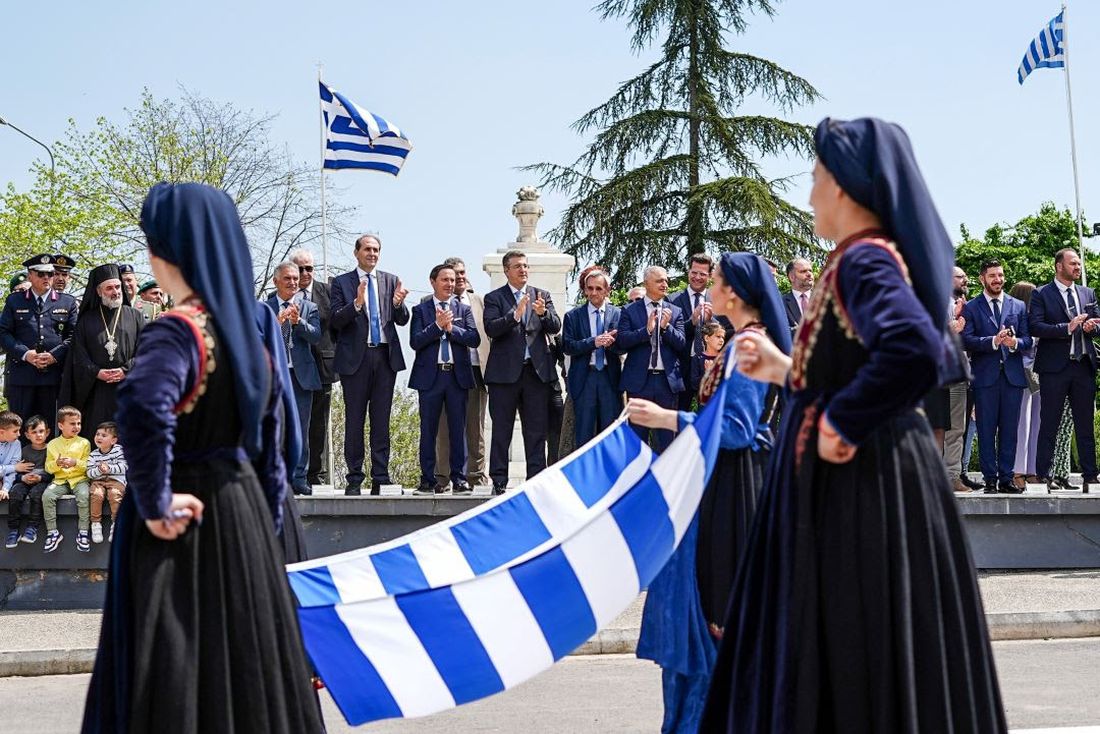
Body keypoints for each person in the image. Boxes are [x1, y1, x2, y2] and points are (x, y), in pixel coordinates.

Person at [701, 118, 1006, 732]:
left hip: (867, 492)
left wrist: (844, 420)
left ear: (844, 188)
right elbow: (852, 366)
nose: (811, 194)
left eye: (816, 179)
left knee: (855, 641)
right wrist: (789, 370)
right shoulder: (851, 262)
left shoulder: (864, 261)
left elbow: (917, 351)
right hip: (854, 488)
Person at [81, 182, 324, 733]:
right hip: (244, 523)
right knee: (249, 674)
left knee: (177, 676)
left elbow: (143, 408)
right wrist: (265, 520)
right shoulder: (249, 341)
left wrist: (155, 499)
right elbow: (273, 441)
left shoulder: (180, 330)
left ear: (168, 251)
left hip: (181, 532)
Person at [628, 252, 790, 734]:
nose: (708, 286)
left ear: (734, 294)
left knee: (713, 615)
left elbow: (737, 429)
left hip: (732, 491)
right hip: (725, 482)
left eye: (715, 280)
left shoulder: (747, 346)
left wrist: (666, 419)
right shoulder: (745, 342)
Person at [330, 234, 410, 496]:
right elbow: (335, 321)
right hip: (356, 359)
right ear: (356, 253)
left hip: (384, 357)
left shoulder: (389, 280)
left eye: (376, 250)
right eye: (367, 249)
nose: (372, 254)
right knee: (354, 420)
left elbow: (402, 319)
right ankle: (354, 478)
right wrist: (356, 304)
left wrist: (398, 304)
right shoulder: (342, 283)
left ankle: (381, 476)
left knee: (381, 421)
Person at [483, 250, 561, 494]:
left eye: (525, 266)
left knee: (536, 430)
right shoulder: (494, 298)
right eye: (517, 266)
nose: (523, 270)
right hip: (504, 376)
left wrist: (542, 313)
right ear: (507, 270)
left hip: (535, 374)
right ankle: (498, 481)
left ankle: (535, 481)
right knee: (502, 430)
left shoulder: (542, 295)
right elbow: (490, 329)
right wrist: (513, 316)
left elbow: (556, 325)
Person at [1029, 248, 1100, 493]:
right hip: (1054, 369)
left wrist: (1092, 327)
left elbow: (1098, 324)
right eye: (1073, 263)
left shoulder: (1087, 292)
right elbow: (1035, 326)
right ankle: (1043, 476)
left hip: (1083, 366)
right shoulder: (1041, 294)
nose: (1078, 267)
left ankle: (1091, 476)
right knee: (1049, 423)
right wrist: (1066, 327)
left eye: (1079, 264)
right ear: (1059, 266)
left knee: (1085, 425)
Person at [409, 263, 481, 494]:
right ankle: (428, 479)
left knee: (457, 429)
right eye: (445, 280)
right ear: (433, 282)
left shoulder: (463, 309)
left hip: (456, 376)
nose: (450, 284)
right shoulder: (421, 310)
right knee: (428, 431)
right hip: (430, 377)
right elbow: (415, 342)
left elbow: (474, 339)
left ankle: (458, 479)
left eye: (452, 280)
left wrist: (452, 330)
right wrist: (437, 327)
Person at [962, 260, 1031, 494]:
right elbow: (966, 340)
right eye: (992, 276)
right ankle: (990, 479)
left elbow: (1028, 339)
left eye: (1000, 275)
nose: (998, 280)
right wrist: (993, 341)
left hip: (1012, 378)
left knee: (1010, 431)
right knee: (986, 430)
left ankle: (1007, 478)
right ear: (982, 278)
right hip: (984, 378)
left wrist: (1014, 343)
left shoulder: (1018, 306)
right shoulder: (971, 307)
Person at [58, 263, 145, 441]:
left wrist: (125, 370)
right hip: (96, 389)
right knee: (96, 430)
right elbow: (78, 355)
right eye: (110, 288)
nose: (116, 291)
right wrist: (96, 372)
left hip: (127, 386)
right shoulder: (86, 321)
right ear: (99, 292)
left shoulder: (135, 316)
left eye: (117, 286)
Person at [0, 254, 79, 435]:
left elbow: (74, 336)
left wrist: (54, 355)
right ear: (30, 276)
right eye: (41, 274)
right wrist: (26, 354)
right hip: (22, 375)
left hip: (52, 376)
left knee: (50, 427)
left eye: (50, 274)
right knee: (20, 427)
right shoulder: (15, 301)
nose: (47, 278)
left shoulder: (67, 302)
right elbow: (3, 332)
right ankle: (21, 463)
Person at [614, 266, 686, 452]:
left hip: (666, 383)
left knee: (667, 442)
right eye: (659, 280)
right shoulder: (629, 310)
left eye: (666, 280)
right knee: (637, 441)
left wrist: (665, 328)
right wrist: (646, 331)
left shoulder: (675, 311)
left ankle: (667, 480)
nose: (665, 284)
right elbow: (622, 341)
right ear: (646, 283)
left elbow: (681, 344)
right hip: (639, 382)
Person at [433, 256, 490, 489]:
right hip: (446, 371)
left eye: (463, 272)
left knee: (475, 426)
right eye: (456, 274)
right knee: (445, 427)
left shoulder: (479, 301)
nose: (461, 277)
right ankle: (443, 476)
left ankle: (475, 475)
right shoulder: (432, 302)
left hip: (475, 370)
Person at [265, 261, 321, 496]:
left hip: (301, 377)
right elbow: (258, 339)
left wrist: (298, 322)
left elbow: (316, 336)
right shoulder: (265, 309)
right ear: (276, 281)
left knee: (300, 428)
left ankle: (299, 477)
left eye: (296, 279)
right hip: (275, 376)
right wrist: (276, 324)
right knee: (274, 427)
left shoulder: (309, 307)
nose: (293, 283)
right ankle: (276, 476)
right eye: (287, 278)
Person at [289, 248, 336, 489]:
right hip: (293, 369)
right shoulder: (283, 294)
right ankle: (294, 474)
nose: (306, 273)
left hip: (322, 366)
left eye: (309, 268)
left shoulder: (327, 291)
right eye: (300, 268)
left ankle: (315, 475)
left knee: (318, 423)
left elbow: (336, 325)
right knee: (295, 423)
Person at [562, 268, 622, 447]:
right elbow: (568, 346)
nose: (593, 293)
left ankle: (609, 473)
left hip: (609, 378)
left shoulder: (617, 314)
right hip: (584, 377)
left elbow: (624, 346)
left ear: (607, 290)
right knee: (584, 433)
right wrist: (593, 342)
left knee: (610, 432)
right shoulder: (573, 316)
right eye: (590, 288)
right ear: (585, 290)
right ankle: (584, 474)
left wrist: (613, 343)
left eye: (598, 288)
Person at [671, 254, 719, 411]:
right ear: (688, 272)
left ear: (710, 276)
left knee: (708, 418)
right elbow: (671, 335)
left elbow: (724, 333)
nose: (697, 277)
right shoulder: (672, 300)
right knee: (678, 417)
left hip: (709, 367)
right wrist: (692, 320)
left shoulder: (719, 300)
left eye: (702, 274)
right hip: (681, 368)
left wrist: (711, 322)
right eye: (694, 272)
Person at [41, 405, 92, 553]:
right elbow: (48, 468)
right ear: (61, 425)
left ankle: (83, 532)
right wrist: (57, 464)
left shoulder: (84, 443)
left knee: (83, 496)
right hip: (60, 481)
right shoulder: (52, 444)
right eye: (72, 423)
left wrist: (75, 462)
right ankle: (53, 533)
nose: (76, 426)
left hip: (79, 480)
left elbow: (89, 465)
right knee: (47, 496)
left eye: (78, 423)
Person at [1009, 281, 1041, 490]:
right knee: (1022, 424)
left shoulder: (1036, 318)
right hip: (1022, 374)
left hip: (1039, 374)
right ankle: (1017, 470)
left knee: (1037, 424)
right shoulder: (1017, 317)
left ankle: (1033, 470)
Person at [3, 414, 51, 546]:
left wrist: (41, 477)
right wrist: (22, 477)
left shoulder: (51, 450)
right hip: (24, 480)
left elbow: (53, 473)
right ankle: (13, 530)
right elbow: (16, 470)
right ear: (27, 435)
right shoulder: (23, 451)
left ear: (47, 432)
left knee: (36, 494)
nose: (38, 435)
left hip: (42, 482)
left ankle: (32, 528)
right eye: (34, 432)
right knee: (15, 493)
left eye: (41, 431)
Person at [86, 421, 127, 544]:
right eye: (97, 434)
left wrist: (109, 469)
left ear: (113, 440)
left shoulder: (119, 450)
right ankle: (96, 524)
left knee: (115, 494)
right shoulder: (93, 455)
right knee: (96, 494)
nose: (99, 437)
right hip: (99, 481)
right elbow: (89, 473)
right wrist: (99, 470)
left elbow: (125, 466)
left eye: (103, 435)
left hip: (116, 480)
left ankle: (116, 524)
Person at [0, 411, 30, 546]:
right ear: (2, 432)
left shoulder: (16, 443)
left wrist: (5, 488)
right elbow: (16, 468)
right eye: (15, 431)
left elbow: (13, 470)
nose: (19, 434)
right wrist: (15, 468)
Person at [781, 257, 814, 339]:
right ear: (792, 277)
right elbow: (781, 332)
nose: (809, 274)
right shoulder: (781, 303)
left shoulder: (824, 300)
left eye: (810, 270)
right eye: (803, 271)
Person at [691, 321, 725, 396]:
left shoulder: (724, 358)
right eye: (718, 336)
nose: (722, 340)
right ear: (707, 338)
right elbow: (695, 385)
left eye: (723, 337)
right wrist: (707, 373)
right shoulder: (697, 358)